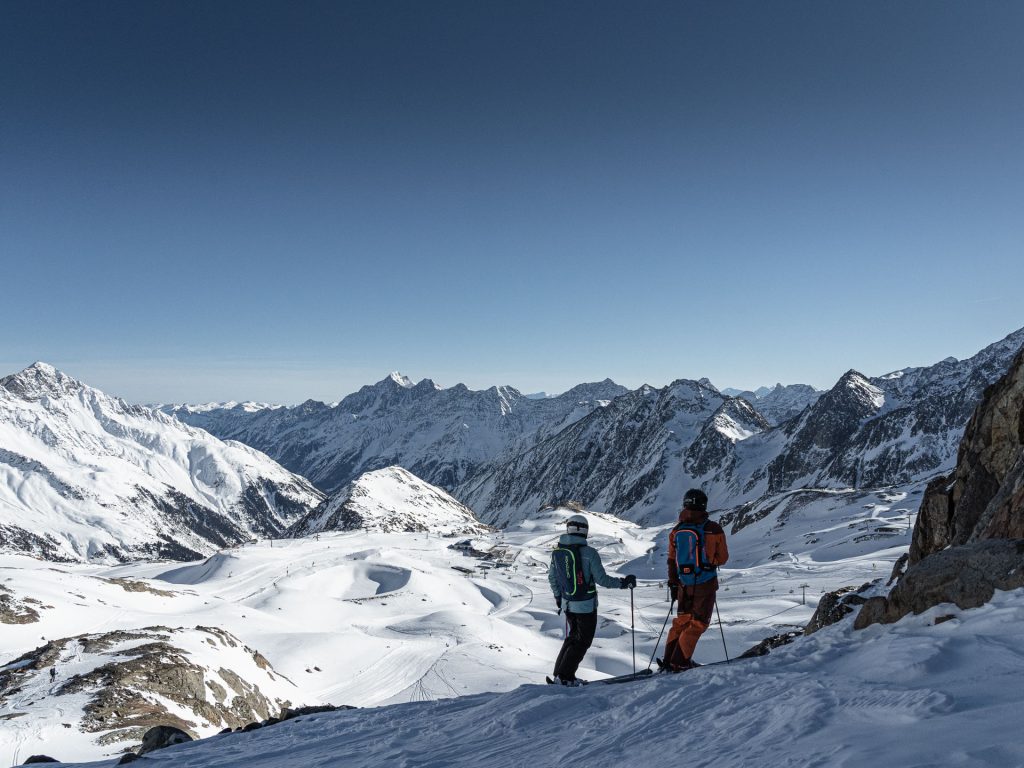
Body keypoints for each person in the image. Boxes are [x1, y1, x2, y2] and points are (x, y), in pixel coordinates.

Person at [548, 513, 636, 686]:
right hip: (586, 605)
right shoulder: (589, 553)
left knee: (572, 638)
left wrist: (559, 598)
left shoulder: (557, 552)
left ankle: (560, 674)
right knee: (582, 641)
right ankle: (566, 677)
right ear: (585, 531)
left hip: (567, 604)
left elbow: (552, 578)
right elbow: (602, 580)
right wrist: (623, 583)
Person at [662, 488, 728, 672]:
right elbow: (722, 558)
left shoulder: (677, 530)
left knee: (682, 621)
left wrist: (674, 582)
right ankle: (680, 662)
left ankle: (668, 660)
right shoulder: (713, 529)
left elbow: (671, 560)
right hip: (705, 583)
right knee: (698, 623)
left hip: (683, 583)